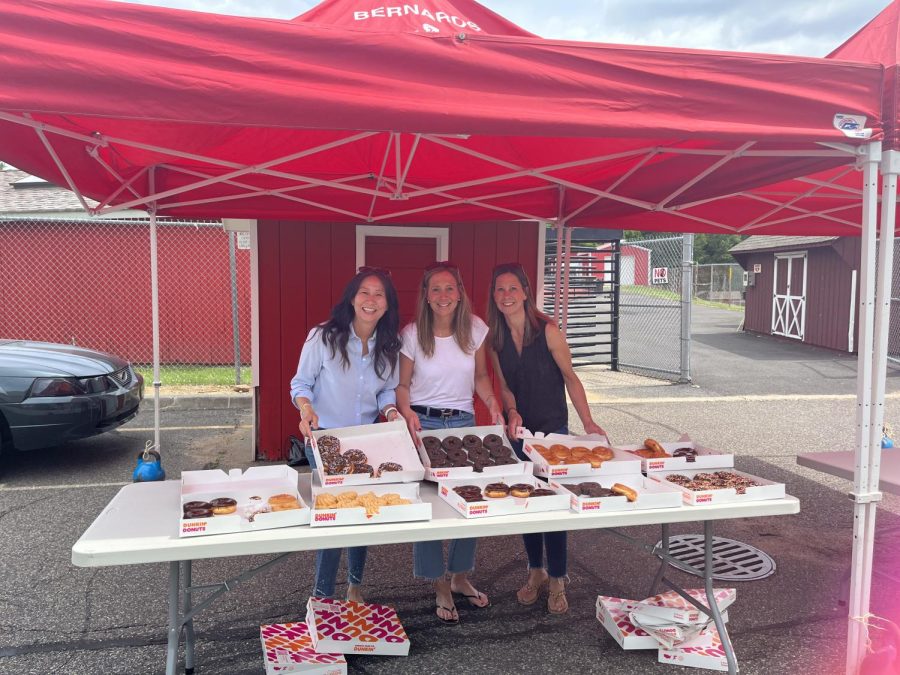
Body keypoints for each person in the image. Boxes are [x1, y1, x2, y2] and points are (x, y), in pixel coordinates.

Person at [487, 261, 606, 615]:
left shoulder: (548, 330)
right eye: (500, 290)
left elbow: (570, 377)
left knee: (554, 506)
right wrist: (511, 411)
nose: (506, 296)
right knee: (527, 502)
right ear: (493, 296)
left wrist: (589, 422)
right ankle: (535, 572)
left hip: (554, 431)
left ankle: (557, 579)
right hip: (520, 433)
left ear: (525, 291)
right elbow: (505, 387)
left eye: (512, 288)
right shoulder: (495, 340)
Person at [396, 261, 503, 624]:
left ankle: (459, 576)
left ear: (460, 293)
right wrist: (406, 413)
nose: (443, 296)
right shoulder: (411, 334)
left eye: (450, 288)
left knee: (468, 503)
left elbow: (482, 376)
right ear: (426, 296)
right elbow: (402, 386)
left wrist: (491, 402)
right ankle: (437, 582)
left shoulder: (474, 329)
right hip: (423, 423)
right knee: (428, 507)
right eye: (436, 289)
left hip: (462, 423)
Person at [290, 267, 402, 603]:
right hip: (324, 439)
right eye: (364, 293)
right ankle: (322, 596)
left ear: (387, 304)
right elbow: (301, 383)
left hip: (364, 441)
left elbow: (387, 391)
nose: (371, 300)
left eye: (379, 294)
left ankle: (355, 585)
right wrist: (305, 409)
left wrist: (392, 411)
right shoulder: (322, 337)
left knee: (361, 512)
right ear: (352, 299)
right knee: (332, 517)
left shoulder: (389, 344)